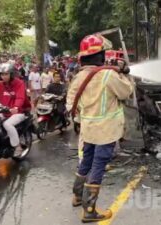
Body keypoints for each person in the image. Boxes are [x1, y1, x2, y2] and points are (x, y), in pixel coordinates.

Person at [67, 34, 133, 223]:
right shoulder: (107, 75)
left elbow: (70, 103)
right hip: (106, 131)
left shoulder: (78, 77)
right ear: (99, 55)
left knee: (85, 162)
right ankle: (89, 210)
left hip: (88, 129)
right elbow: (126, 92)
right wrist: (124, 73)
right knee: (98, 166)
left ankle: (77, 196)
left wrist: (82, 117)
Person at [0, 63, 31, 156]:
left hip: (19, 111)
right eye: (2, 74)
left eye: (6, 74)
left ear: (11, 74)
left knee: (7, 124)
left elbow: (20, 98)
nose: (4, 76)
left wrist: (16, 107)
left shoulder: (19, 83)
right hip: (4, 111)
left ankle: (17, 147)